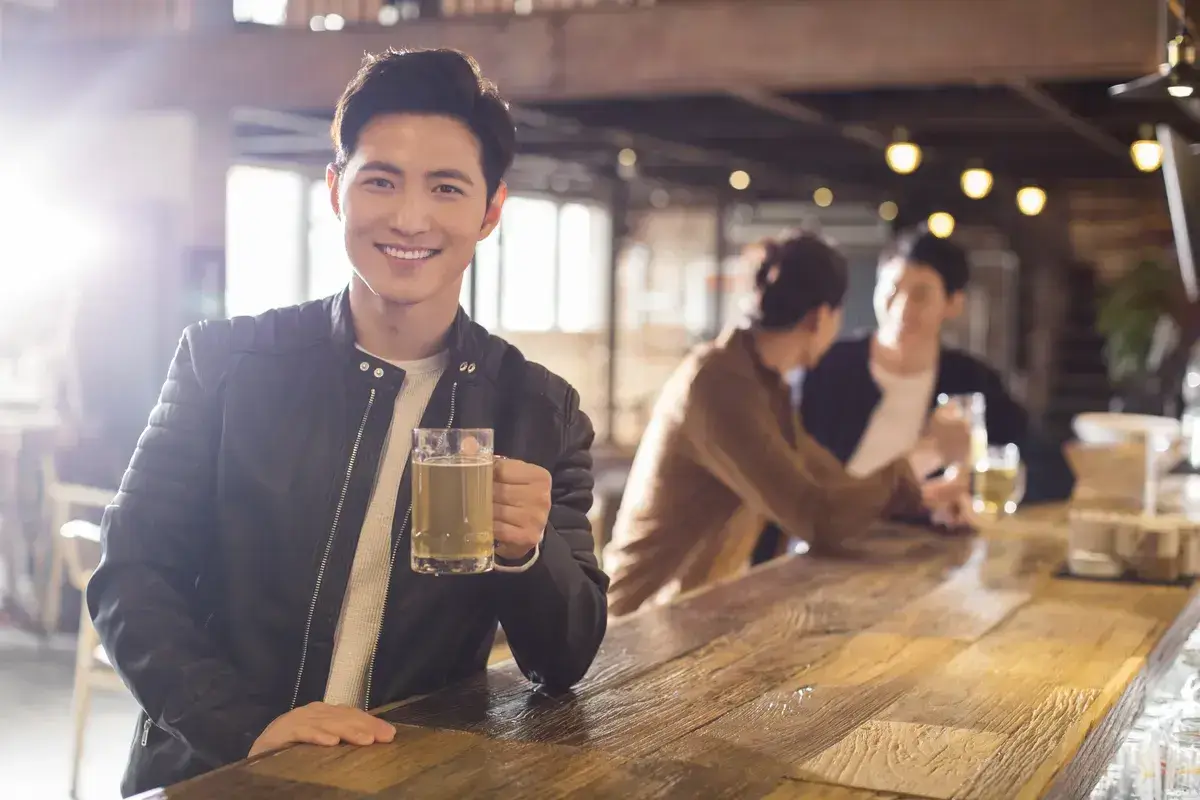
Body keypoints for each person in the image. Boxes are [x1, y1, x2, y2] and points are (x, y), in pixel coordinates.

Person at [87, 48, 608, 797]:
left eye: (446, 188)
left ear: (491, 210)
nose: (409, 217)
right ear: (336, 191)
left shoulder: (538, 409)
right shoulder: (225, 363)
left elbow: (564, 661)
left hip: (412, 778)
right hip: (217, 769)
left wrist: (531, 554)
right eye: (381, 181)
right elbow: (130, 579)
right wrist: (247, 728)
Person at [603, 232, 967, 618]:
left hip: (693, 614)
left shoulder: (763, 380)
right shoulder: (720, 385)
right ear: (821, 317)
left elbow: (828, 480)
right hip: (635, 624)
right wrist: (912, 464)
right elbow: (815, 517)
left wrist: (924, 499)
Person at [798, 225, 1074, 502]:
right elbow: (799, 483)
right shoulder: (828, 367)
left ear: (953, 304)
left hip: (925, 539)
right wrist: (930, 452)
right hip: (836, 533)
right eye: (893, 289)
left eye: (920, 294)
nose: (902, 308)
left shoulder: (970, 380)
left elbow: (1053, 474)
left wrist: (970, 483)